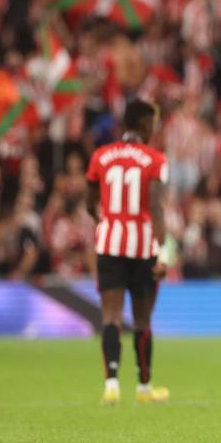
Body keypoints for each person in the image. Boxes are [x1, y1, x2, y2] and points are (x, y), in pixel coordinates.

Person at [86, 98, 172, 406]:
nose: (155, 129)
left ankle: (111, 385)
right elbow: (156, 208)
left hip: (109, 243)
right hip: (142, 245)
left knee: (110, 316)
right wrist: (163, 253)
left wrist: (104, 222)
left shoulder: (101, 156)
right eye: (153, 123)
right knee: (142, 320)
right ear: (142, 123)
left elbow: (89, 202)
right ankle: (144, 388)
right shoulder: (154, 160)